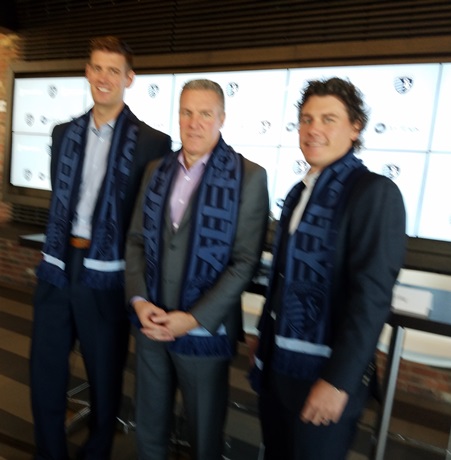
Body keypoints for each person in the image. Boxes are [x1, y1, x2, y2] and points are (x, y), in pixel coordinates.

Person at [30, 35, 171, 460]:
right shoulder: (62, 134)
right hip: (58, 264)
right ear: (87, 72)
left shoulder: (152, 142)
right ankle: (49, 452)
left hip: (107, 272)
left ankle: (96, 453)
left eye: (114, 70)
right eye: (97, 67)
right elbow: (62, 195)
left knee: (105, 376)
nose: (104, 77)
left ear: (130, 78)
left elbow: (145, 220)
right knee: (45, 371)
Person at [249, 77, 406, 460]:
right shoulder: (300, 192)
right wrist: (264, 334)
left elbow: (370, 300)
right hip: (279, 367)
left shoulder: (374, 192)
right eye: (306, 119)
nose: (313, 129)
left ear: (355, 128)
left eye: (328, 119)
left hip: (323, 376)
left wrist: (338, 382)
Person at [125, 78, 269, 460]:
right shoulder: (157, 169)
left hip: (205, 333)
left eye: (205, 113)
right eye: (187, 112)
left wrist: (193, 319)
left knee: (204, 438)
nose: (194, 122)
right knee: (149, 432)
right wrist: (139, 302)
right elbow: (136, 240)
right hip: (151, 324)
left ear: (222, 118)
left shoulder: (249, 177)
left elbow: (244, 263)